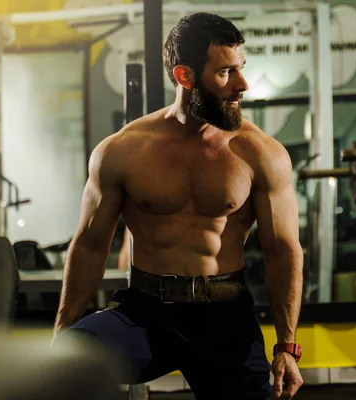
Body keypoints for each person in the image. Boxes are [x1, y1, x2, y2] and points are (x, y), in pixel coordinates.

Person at [53, 12, 304, 400]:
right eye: (225, 73)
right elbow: (89, 245)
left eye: (240, 68)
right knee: (63, 365)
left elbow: (282, 251)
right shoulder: (122, 151)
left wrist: (287, 346)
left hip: (225, 317)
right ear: (185, 77)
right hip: (146, 314)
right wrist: (62, 332)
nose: (242, 84)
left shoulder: (260, 153)